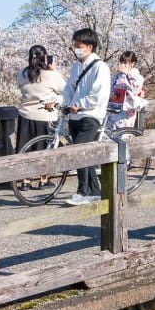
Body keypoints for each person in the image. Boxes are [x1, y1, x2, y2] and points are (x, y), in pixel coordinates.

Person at [59, 29, 110, 205]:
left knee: (80, 151)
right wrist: (63, 102)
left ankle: (83, 191)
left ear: (89, 46)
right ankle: (95, 191)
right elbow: (69, 88)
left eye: (78, 46)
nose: (76, 49)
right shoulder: (76, 66)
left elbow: (98, 94)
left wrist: (79, 104)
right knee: (85, 154)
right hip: (75, 116)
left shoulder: (100, 67)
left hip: (91, 115)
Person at [106, 51, 147, 191]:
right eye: (122, 61)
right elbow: (112, 88)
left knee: (122, 137)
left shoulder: (136, 76)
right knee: (111, 136)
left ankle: (122, 170)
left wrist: (125, 75)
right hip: (114, 110)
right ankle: (113, 170)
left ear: (132, 63)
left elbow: (134, 90)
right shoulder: (117, 76)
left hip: (126, 112)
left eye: (126, 62)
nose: (123, 65)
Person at [15, 46, 65, 154]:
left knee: (25, 154)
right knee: (45, 154)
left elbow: (20, 86)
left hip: (25, 117)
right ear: (45, 57)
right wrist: (54, 70)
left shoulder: (23, 73)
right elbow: (65, 89)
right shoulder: (51, 74)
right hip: (45, 117)